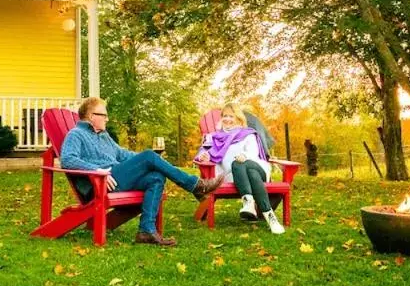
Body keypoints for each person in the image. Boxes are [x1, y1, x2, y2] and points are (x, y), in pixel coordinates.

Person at [61, 96, 224, 246]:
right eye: (104, 115)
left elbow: (122, 154)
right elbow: (67, 160)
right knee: (149, 156)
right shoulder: (76, 134)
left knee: (156, 176)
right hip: (99, 183)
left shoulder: (103, 135)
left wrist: (153, 160)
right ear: (91, 116)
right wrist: (97, 170)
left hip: (116, 179)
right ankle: (195, 185)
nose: (107, 118)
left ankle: (146, 231)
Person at [195, 103, 285, 234]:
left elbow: (253, 154)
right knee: (244, 169)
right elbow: (203, 152)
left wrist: (245, 156)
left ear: (238, 119)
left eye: (231, 116)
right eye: (225, 116)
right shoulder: (213, 137)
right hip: (232, 175)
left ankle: (248, 203)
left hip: (256, 166)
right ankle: (270, 217)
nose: (227, 119)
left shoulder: (248, 134)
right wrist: (203, 156)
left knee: (241, 164)